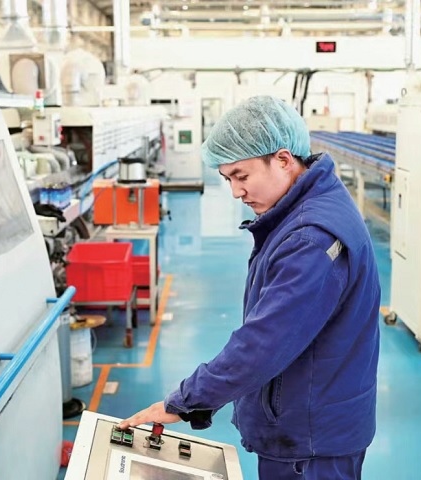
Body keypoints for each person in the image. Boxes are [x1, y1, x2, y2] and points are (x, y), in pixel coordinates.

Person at [119, 96, 381, 480]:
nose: (236, 192)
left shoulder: (310, 239)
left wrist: (186, 400)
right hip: (310, 418)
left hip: (310, 442)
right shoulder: (309, 205)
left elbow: (264, 342)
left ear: (283, 159)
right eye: (227, 179)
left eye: (241, 176)